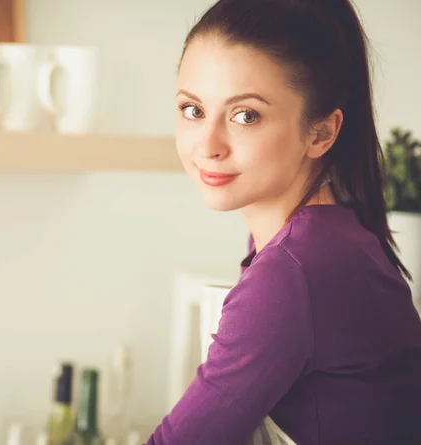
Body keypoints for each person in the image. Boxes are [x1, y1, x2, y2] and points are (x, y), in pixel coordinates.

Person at [144, 0, 421, 444]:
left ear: (321, 133)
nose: (208, 145)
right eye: (192, 109)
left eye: (245, 115)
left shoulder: (293, 272)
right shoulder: (332, 241)